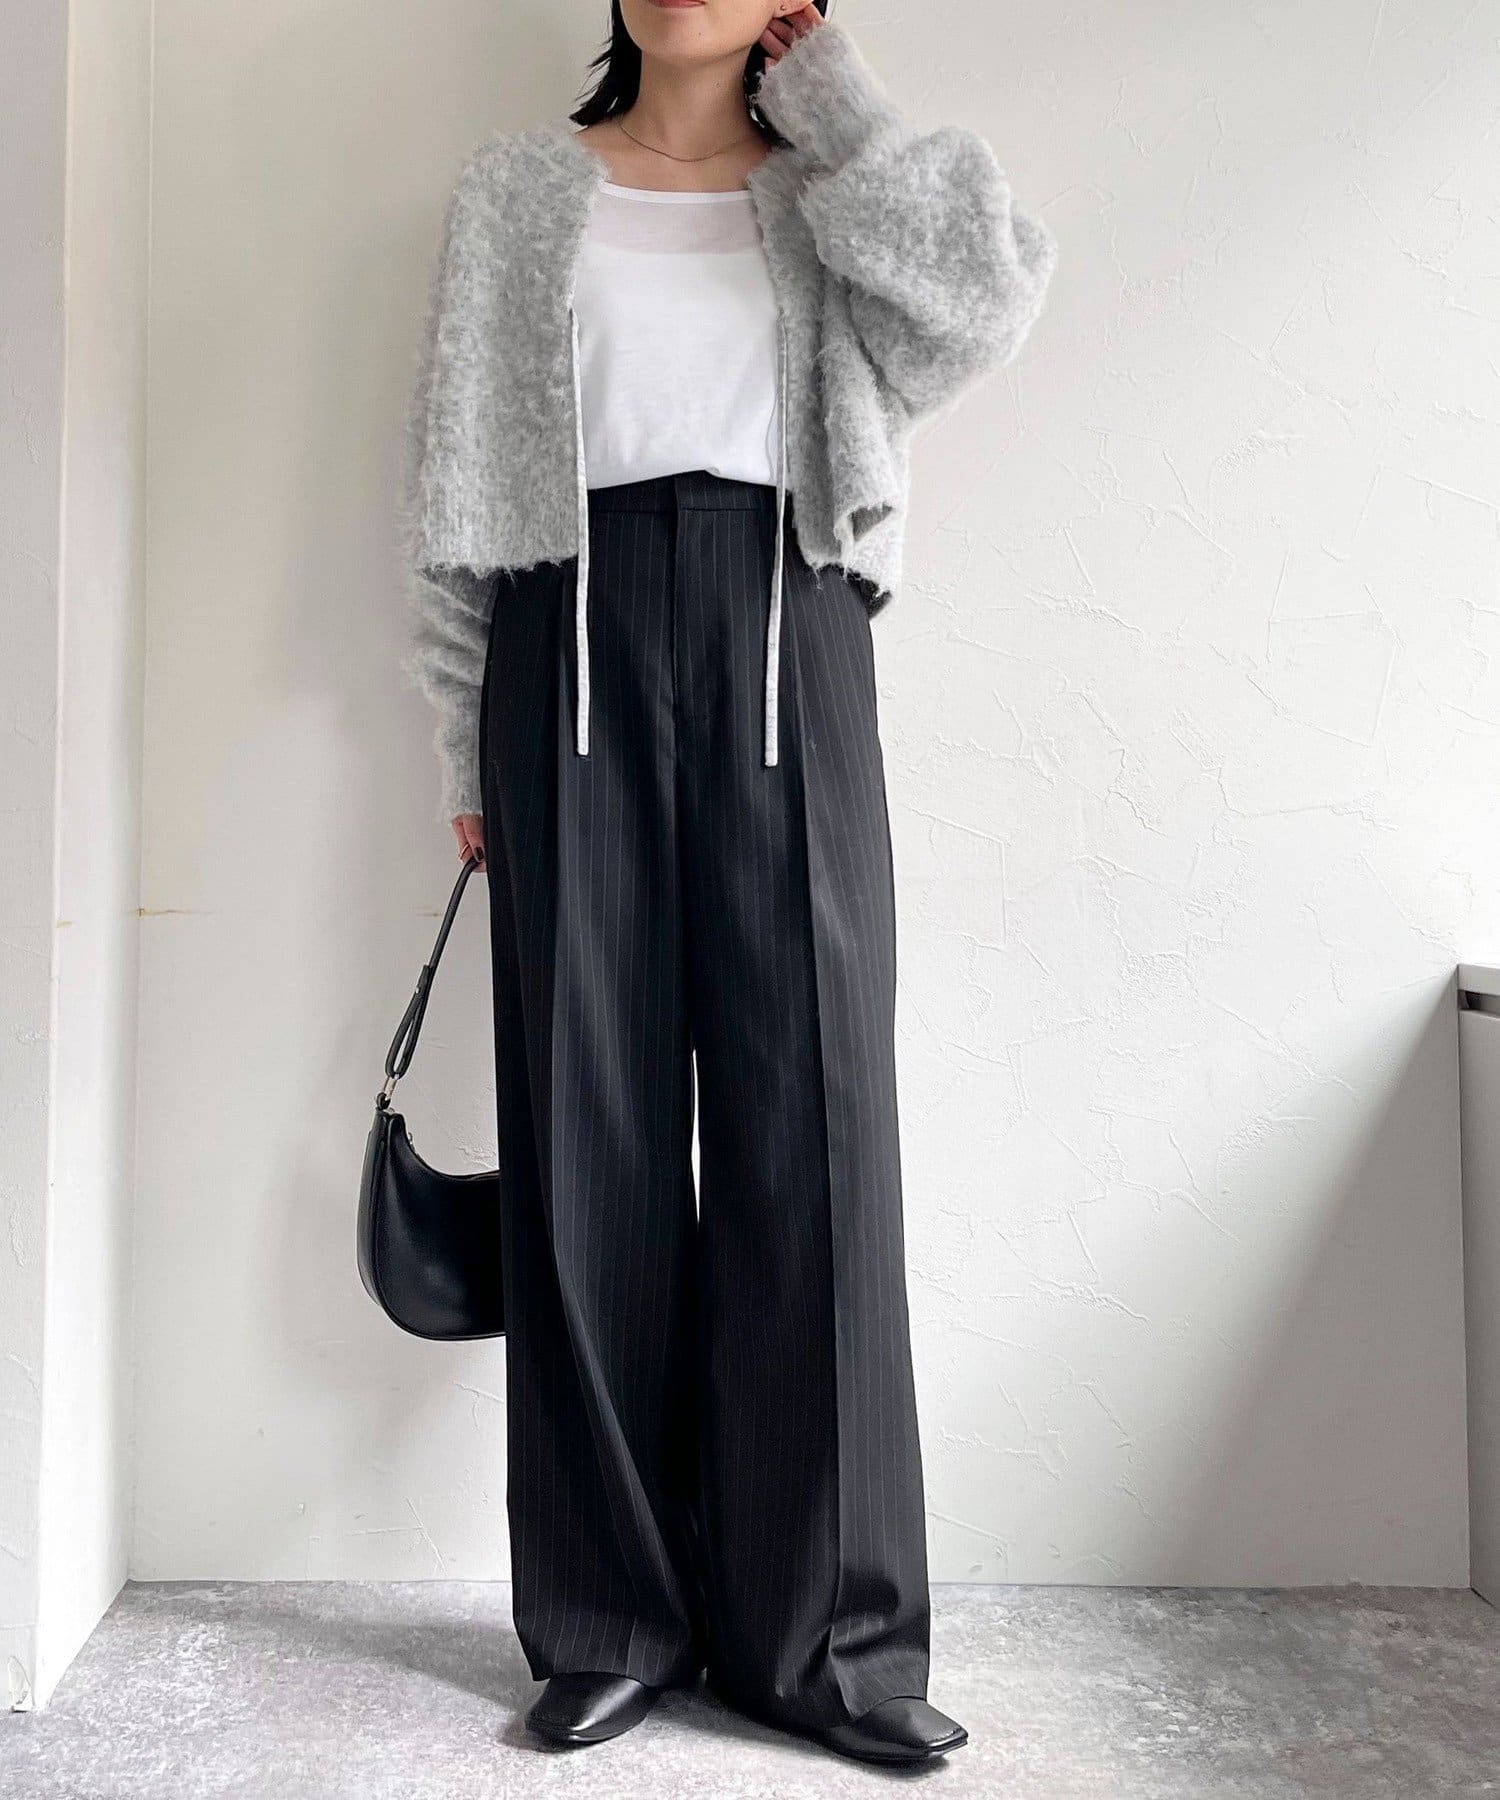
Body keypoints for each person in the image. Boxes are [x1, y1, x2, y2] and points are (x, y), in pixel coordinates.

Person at [402, 0, 1054, 1768]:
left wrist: (831, 99)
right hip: (571, 652)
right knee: (588, 1135)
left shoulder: (831, 184)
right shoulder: (517, 193)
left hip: (791, 636)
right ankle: (611, 1618)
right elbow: (452, 500)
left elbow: (985, 301)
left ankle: (832, 1643)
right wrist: (465, 752)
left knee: (814, 1132)